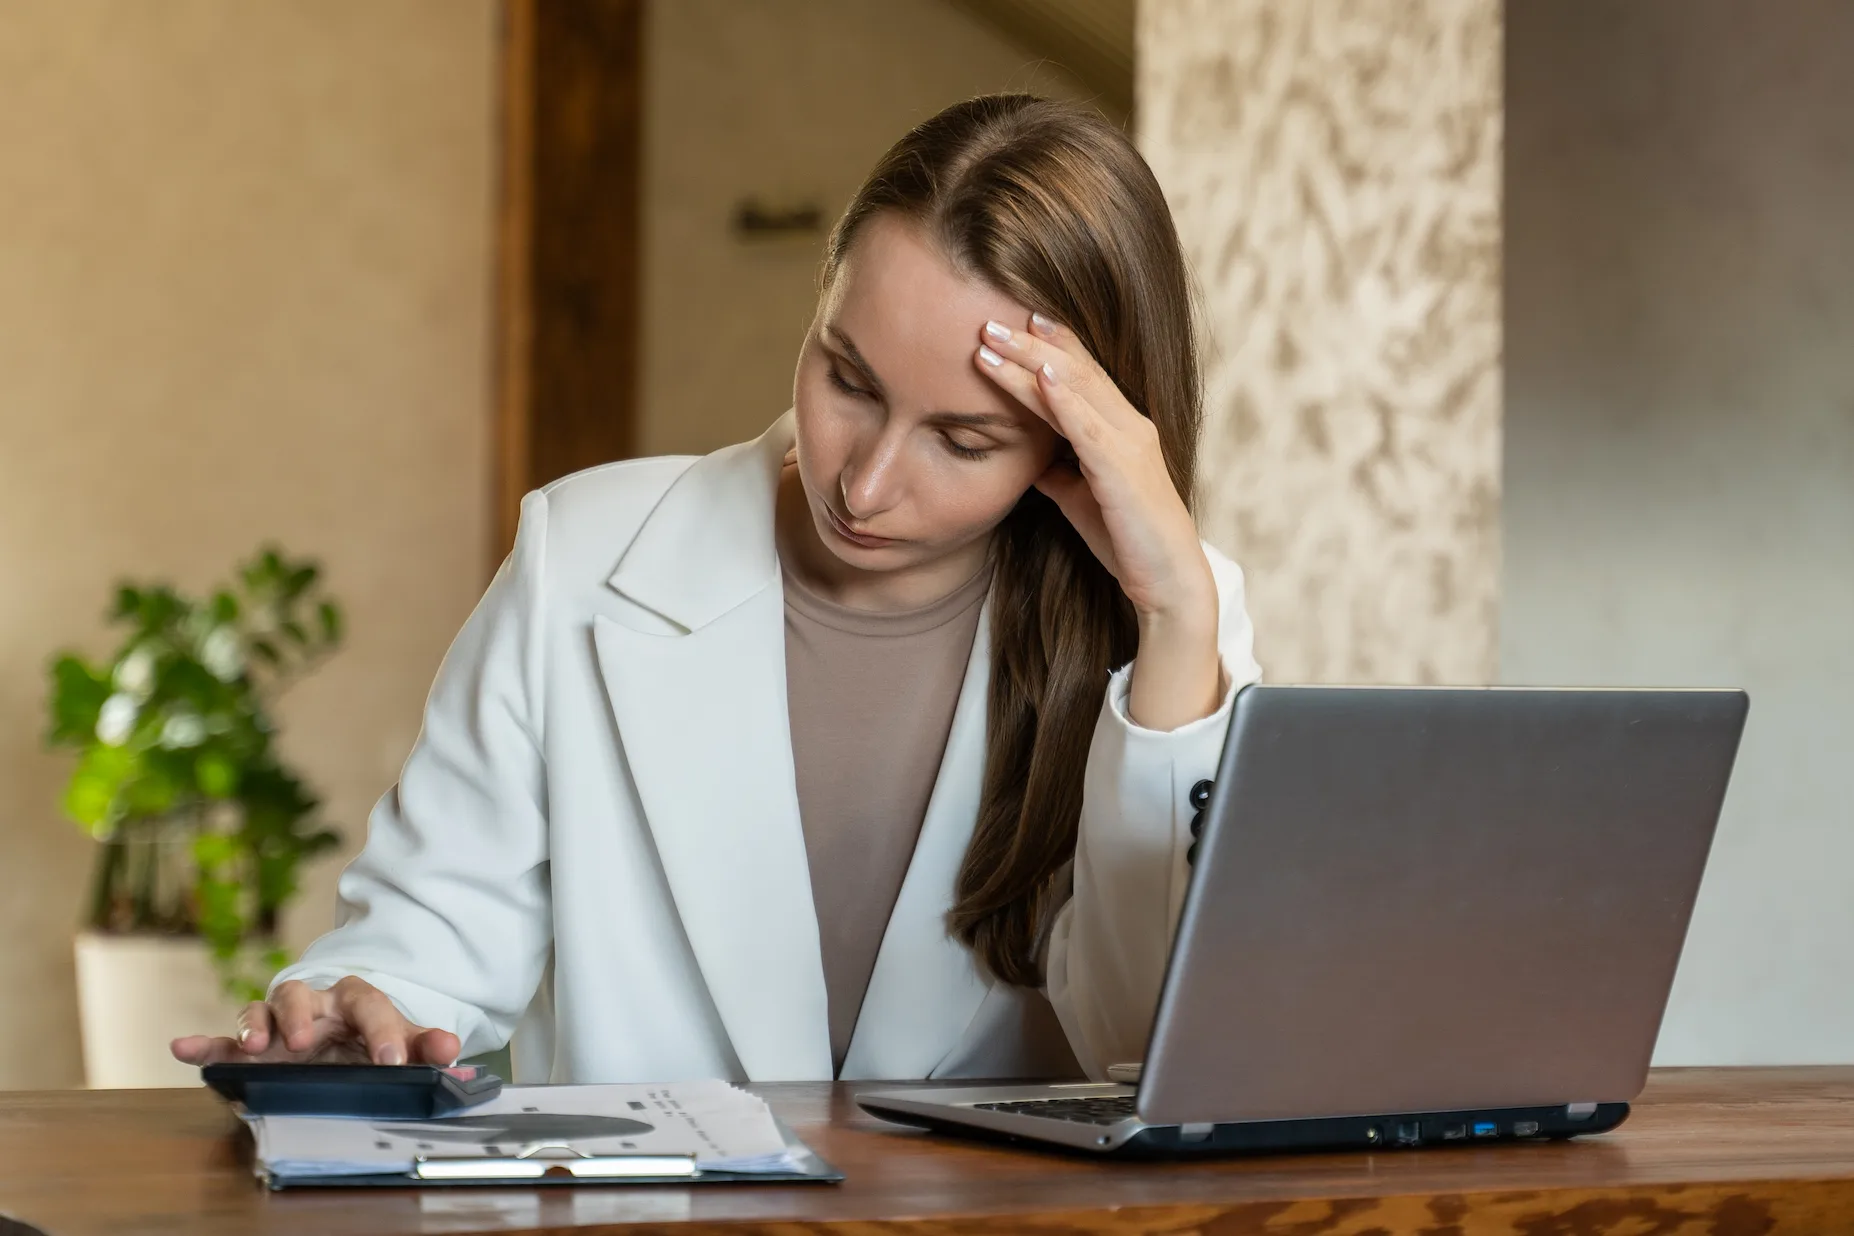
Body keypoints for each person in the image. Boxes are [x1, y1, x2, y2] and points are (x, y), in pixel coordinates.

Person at [171, 94, 1259, 1084]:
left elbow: (1152, 1052)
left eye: (963, 440)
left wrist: (1171, 621)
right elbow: (425, 939)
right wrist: (364, 1011)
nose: (865, 482)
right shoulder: (582, 558)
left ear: (1076, 446)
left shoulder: (1178, 632)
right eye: (848, 377)